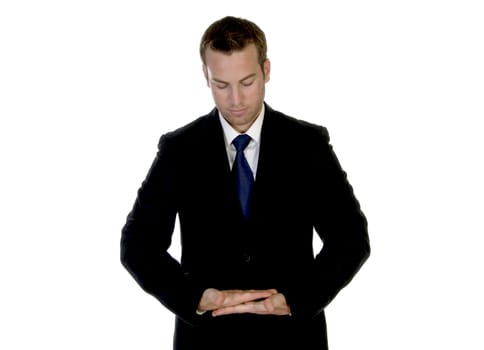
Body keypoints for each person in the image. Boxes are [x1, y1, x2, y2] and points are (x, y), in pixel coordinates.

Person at [120, 15, 370, 350]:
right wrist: (194, 297)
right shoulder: (179, 149)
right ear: (205, 76)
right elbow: (138, 245)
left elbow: (350, 239)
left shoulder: (307, 145)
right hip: (207, 340)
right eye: (221, 85)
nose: (235, 100)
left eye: (247, 82)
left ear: (266, 71)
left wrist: (297, 300)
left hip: (293, 339)